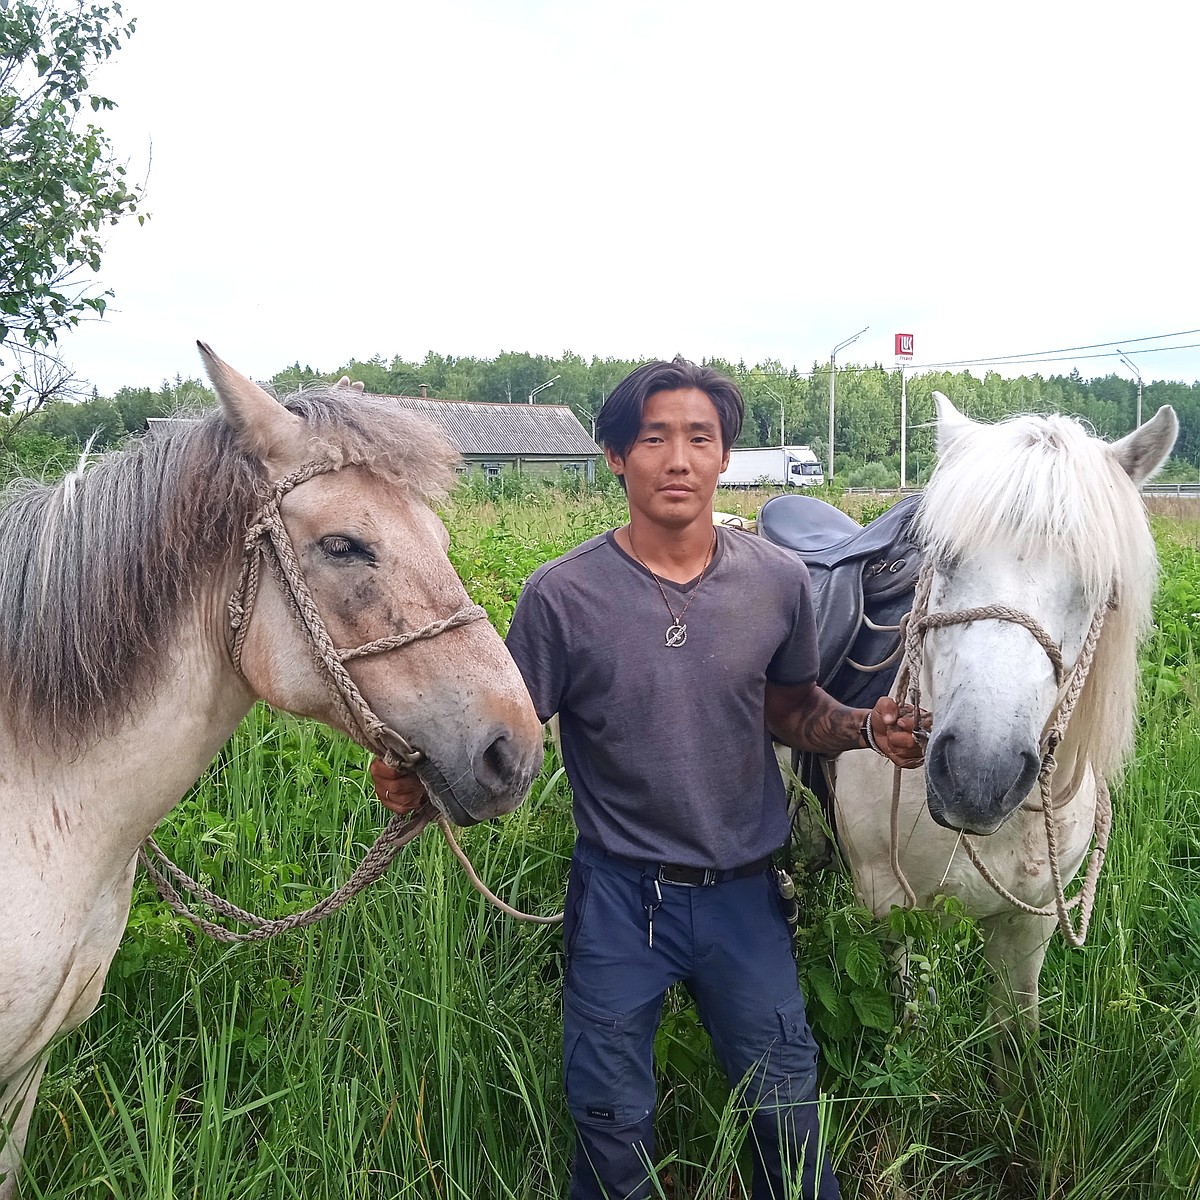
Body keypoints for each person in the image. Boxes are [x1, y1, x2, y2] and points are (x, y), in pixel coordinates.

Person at [372, 357, 926, 1200]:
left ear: (724, 456)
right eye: (653, 437)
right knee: (609, 1120)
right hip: (620, 900)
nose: (677, 458)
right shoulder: (561, 596)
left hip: (744, 895)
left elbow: (791, 709)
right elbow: (505, 736)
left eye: (699, 437)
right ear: (614, 457)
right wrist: (418, 780)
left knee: (785, 1113)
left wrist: (863, 728)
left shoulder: (776, 582)